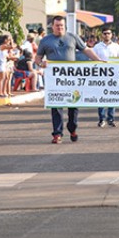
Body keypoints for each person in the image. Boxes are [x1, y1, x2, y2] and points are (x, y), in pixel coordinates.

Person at [35, 16, 103, 144]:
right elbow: (37, 58)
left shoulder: (72, 37)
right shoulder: (46, 41)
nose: (59, 28)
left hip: (72, 79)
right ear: (52, 27)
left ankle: (72, 128)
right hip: (55, 80)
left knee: (74, 105)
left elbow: (86, 50)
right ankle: (57, 133)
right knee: (56, 106)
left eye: (62, 25)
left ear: (64, 26)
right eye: (57, 26)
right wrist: (41, 64)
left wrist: (98, 60)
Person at [93, 26, 119, 127]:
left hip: (113, 76)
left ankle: (111, 118)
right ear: (101, 35)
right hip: (101, 75)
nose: (107, 35)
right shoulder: (97, 47)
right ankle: (101, 118)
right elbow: (92, 59)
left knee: (112, 96)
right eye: (105, 33)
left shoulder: (116, 47)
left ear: (111, 35)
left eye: (108, 33)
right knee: (101, 97)